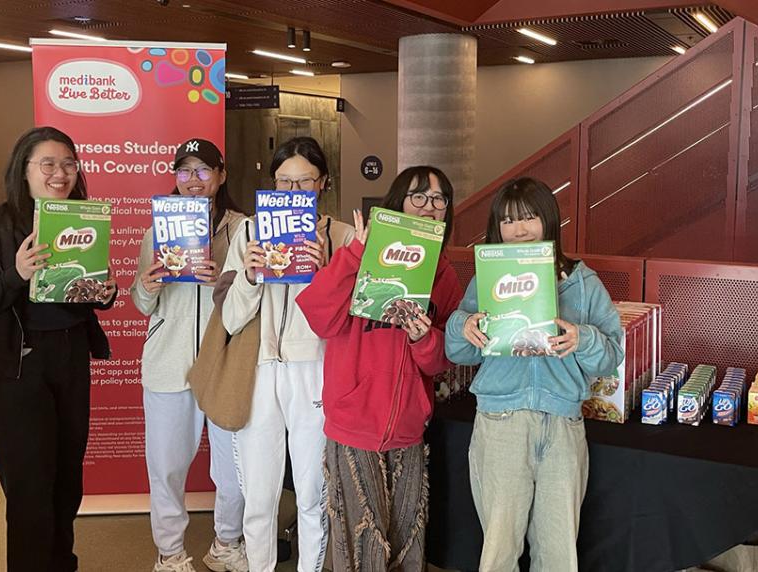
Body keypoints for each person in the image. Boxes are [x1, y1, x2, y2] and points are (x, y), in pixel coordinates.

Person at [0, 126, 117, 572]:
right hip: (18, 368)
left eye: (68, 163)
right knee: (29, 488)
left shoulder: (82, 220)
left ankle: (62, 563)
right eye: (47, 163)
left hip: (70, 360)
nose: (59, 173)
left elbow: (83, 295)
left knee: (67, 484)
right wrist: (15, 275)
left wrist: (103, 292)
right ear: (23, 170)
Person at [444, 177, 624, 572]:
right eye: (508, 221)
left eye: (529, 217)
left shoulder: (582, 281)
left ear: (549, 220)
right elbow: (456, 350)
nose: (519, 229)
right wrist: (464, 325)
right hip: (500, 422)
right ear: (497, 229)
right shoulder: (487, 279)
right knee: (498, 551)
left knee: (559, 553)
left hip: (562, 426)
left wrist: (584, 339)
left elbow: (612, 358)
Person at [296, 166, 464, 571]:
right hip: (354, 424)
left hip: (407, 428)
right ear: (397, 204)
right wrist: (355, 253)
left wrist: (423, 338)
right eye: (417, 196)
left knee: (406, 540)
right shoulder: (356, 258)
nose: (428, 206)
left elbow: (445, 359)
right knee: (361, 541)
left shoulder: (445, 277)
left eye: (438, 199)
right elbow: (319, 318)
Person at [217, 136, 355, 572]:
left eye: (304, 183)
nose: (293, 194)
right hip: (258, 369)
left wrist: (326, 271)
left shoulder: (346, 237)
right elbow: (230, 318)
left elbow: (351, 321)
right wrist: (251, 277)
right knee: (259, 495)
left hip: (315, 367)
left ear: (323, 183)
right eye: (283, 183)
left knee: (313, 492)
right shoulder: (250, 231)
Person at [132, 138, 248, 572]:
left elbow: (257, 298)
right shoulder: (155, 233)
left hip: (225, 361)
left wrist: (227, 280)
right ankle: (170, 553)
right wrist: (149, 285)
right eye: (185, 171)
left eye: (203, 171)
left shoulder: (243, 230)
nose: (194, 181)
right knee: (166, 467)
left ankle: (227, 544)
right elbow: (142, 304)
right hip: (168, 362)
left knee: (234, 468)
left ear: (221, 176)